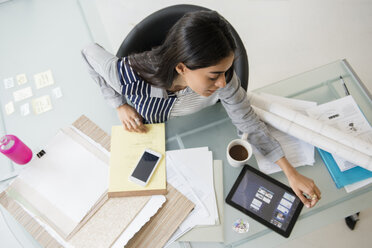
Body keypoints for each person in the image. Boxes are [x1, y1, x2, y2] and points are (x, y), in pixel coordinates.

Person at [81, 10, 321, 208]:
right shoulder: (128, 76)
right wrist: (119, 103)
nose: (224, 83)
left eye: (227, 71)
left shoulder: (224, 79)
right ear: (182, 68)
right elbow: (88, 52)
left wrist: (290, 172)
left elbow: (246, 120)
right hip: (154, 136)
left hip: (197, 133)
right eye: (214, 76)